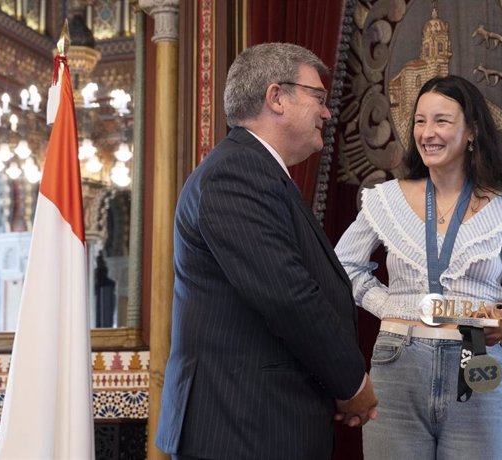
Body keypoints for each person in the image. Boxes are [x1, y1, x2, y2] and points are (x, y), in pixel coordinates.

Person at [155, 42, 378, 460]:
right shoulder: (235, 175)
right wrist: (353, 384)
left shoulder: (256, 171)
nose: (327, 112)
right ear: (276, 96)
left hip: (259, 424)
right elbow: (288, 296)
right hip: (242, 429)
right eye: (318, 96)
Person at [336, 74, 502, 460]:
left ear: (471, 131)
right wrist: (389, 306)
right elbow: (343, 269)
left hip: (475, 360)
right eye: (420, 121)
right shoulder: (385, 199)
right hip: (396, 362)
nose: (427, 132)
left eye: (441, 120)